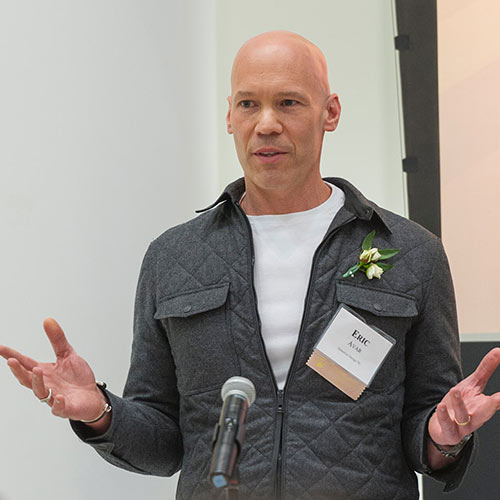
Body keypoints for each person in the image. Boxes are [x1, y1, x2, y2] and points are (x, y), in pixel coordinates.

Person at [1, 31, 500, 500]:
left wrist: (445, 435)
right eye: (248, 104)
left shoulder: (412, 252)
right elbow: (164, 444)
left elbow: (429, 427)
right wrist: (100, 412)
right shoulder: (173, 257)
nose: (266, 124)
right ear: (229, 117)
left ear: (330, 112)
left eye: (288, 102)